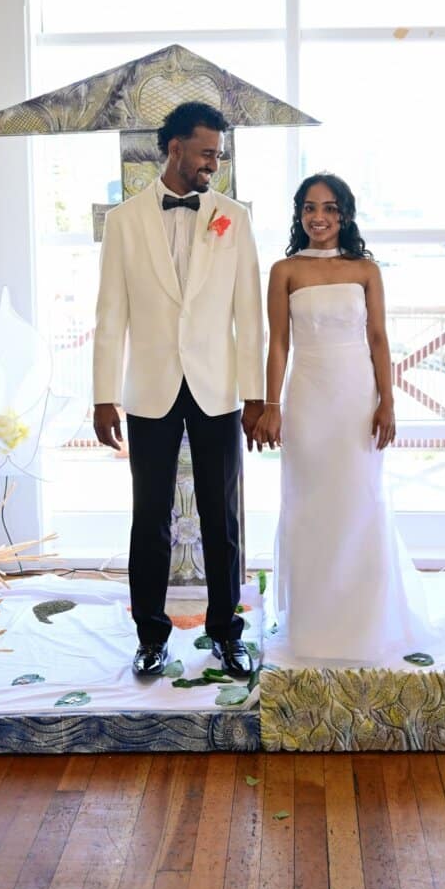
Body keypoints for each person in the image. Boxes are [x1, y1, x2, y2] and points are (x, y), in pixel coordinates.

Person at [93, 101, 265, 679]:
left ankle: (225, 632)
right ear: (175, 149)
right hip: (150, 390)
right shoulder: (123, 221)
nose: (214, 163)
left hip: (218, 389)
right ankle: (150, 636)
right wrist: (102, 395)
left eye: (218, 153)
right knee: (149, 519)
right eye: (206, 152)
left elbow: (249, 313)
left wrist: (258, 393)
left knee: (223, 519)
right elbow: (110, 314)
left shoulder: (233, 218)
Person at [253, 173, 432, 665]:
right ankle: (312, 625)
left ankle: (361, 623)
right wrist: (272, 405)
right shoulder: (284, 270)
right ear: (299, 213)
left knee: (358, 501)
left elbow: (378, 338)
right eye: (310, 208)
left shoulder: (366, 270)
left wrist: (388, 402)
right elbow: (279, 344)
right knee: (310, 504)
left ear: (345, 214)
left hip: (357, 398)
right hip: (308, 400)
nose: (319, 218)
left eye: (329, 208)